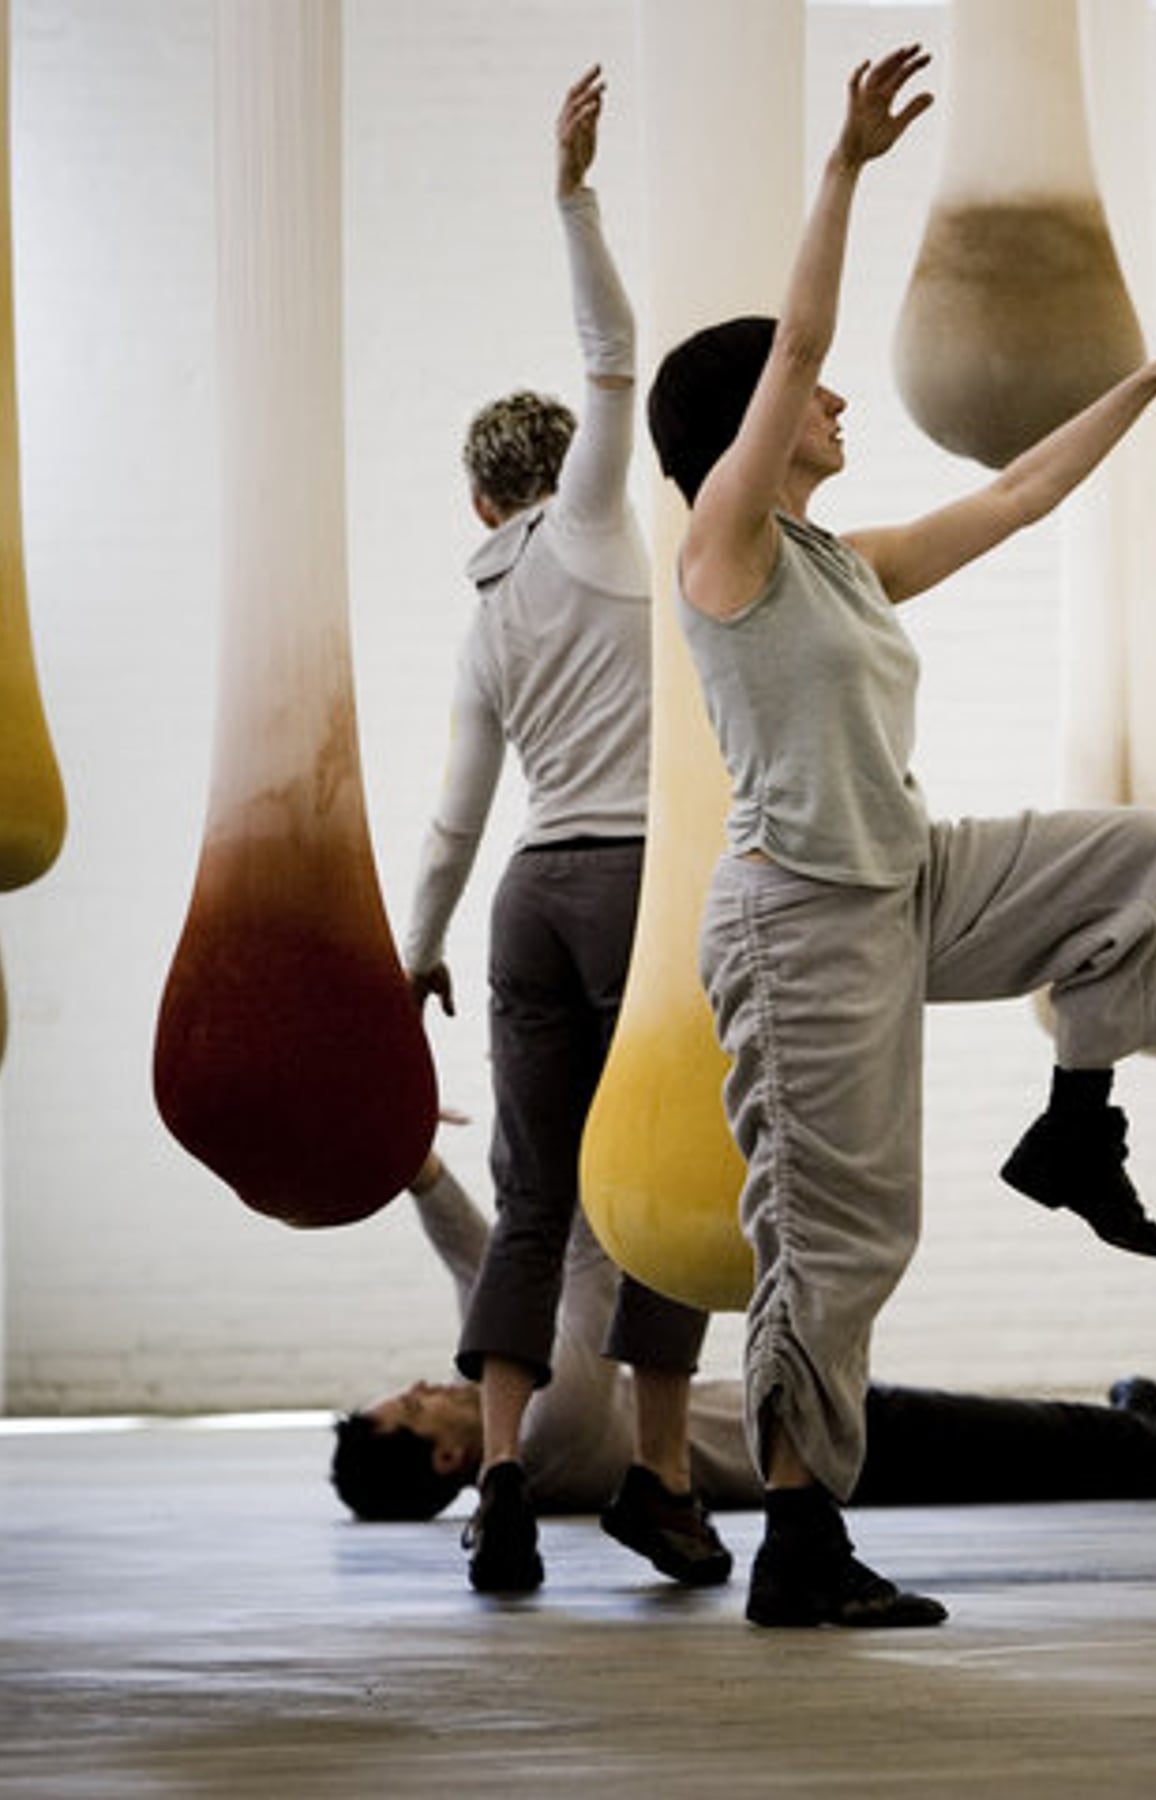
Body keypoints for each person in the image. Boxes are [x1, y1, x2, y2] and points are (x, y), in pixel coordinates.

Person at [645, 45, 1156, 1627]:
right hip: (799, 918)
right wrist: (845, 165)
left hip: (907, 880)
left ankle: (1075, 1131)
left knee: (1138, 860)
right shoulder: (724, 553)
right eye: (808, 399)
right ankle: (799, 1543)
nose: (835, 400)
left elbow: (1023, 496)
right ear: (749, 425)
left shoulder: (839, 561)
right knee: (838, 1235)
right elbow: (800, 341)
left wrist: (1151, 380)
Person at [401, 69, 723, 1597]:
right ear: (553, 482)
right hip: (637, 891)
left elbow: (453, 820)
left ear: (478, 498)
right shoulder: (595, 527)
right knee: (661, 1178)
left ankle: (504, 1480)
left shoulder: (482, 622)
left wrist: (413, 956)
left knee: (532, 1202)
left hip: (524, 902)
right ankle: (661, 1479)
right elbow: (615, 358)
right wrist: (573, 195)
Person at [332, 1158, 1156, 1526]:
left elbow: (495, 1280)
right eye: (414, 1403)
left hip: (833, 1432)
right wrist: (573, 1140)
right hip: (849, 1456)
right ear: (447, 1457)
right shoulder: (545, 1434)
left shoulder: (529, 1439)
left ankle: (1144, 1432)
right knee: (1083, 1449)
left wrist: (420, 1169)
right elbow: (552, 1270)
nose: (431, 1381)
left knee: (1073, 1442)